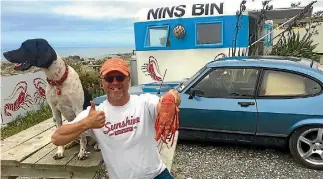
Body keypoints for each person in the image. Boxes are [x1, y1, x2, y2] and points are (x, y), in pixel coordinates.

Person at [51, 58, 181, 179]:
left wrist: (172, 97)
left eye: (120, 77)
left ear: (128, 79)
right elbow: (57, 138)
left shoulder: (145, 102)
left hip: (156, 175)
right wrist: (86, 123)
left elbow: (171, 97)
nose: (115, 82)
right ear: (102, 81)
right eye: (109, 78)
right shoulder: (94, 114)